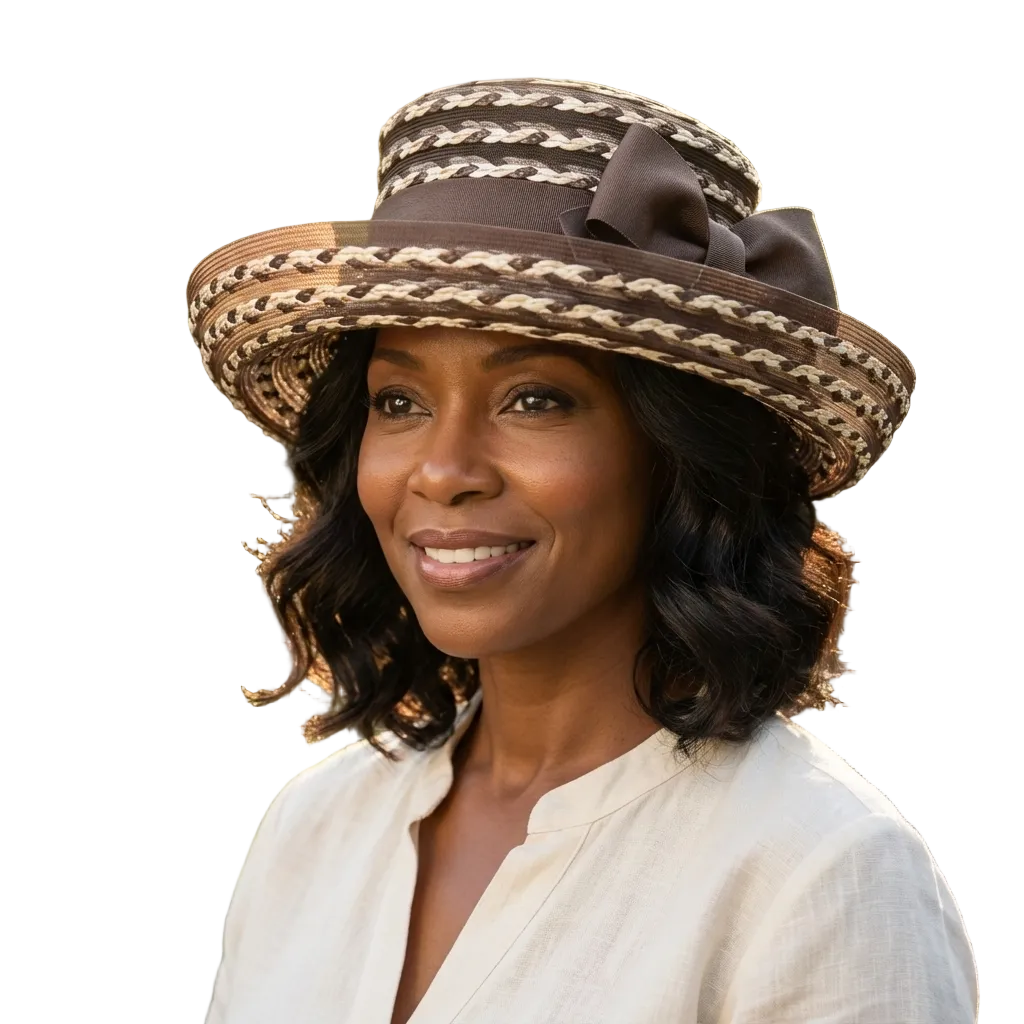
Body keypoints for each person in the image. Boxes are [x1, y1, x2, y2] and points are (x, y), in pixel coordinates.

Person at [187, 78, 978, 1023]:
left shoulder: (819, 873)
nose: (443, 470)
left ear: (677, 452)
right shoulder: (309, 831)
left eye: (535, 400)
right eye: (399, 402)